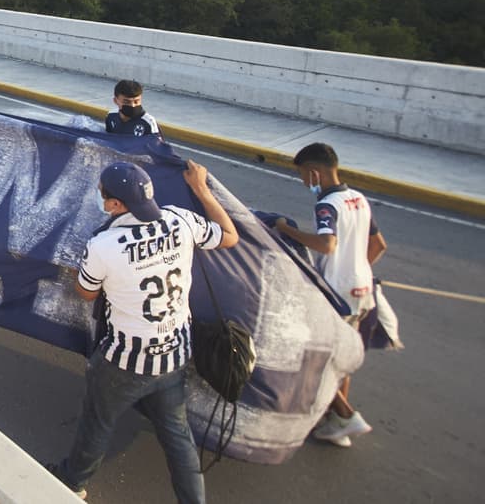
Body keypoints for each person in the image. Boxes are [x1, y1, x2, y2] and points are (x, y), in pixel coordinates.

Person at [50, 160, 239, 503]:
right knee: (178, 435)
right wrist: (201, 189)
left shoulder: (105, 244)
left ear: (117, 205)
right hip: (175, 352)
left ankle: (73, 482)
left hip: (124, 361)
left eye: (104, 196)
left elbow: (86, 291)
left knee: (98, 422)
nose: (101, 200)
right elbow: (229, 236)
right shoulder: (180, 219)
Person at [274, 143, 387, 447]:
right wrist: (357, 269)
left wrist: (288, 230)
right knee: (343, 356)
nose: (304, 182)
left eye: (303, 176)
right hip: (362, 292)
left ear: (314, 173)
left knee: (313, 358)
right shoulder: (359, 200)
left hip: (337, 294)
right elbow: (379, 245)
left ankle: (346, 415)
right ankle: (335, 423)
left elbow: (327, 244)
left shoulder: (328, 205)